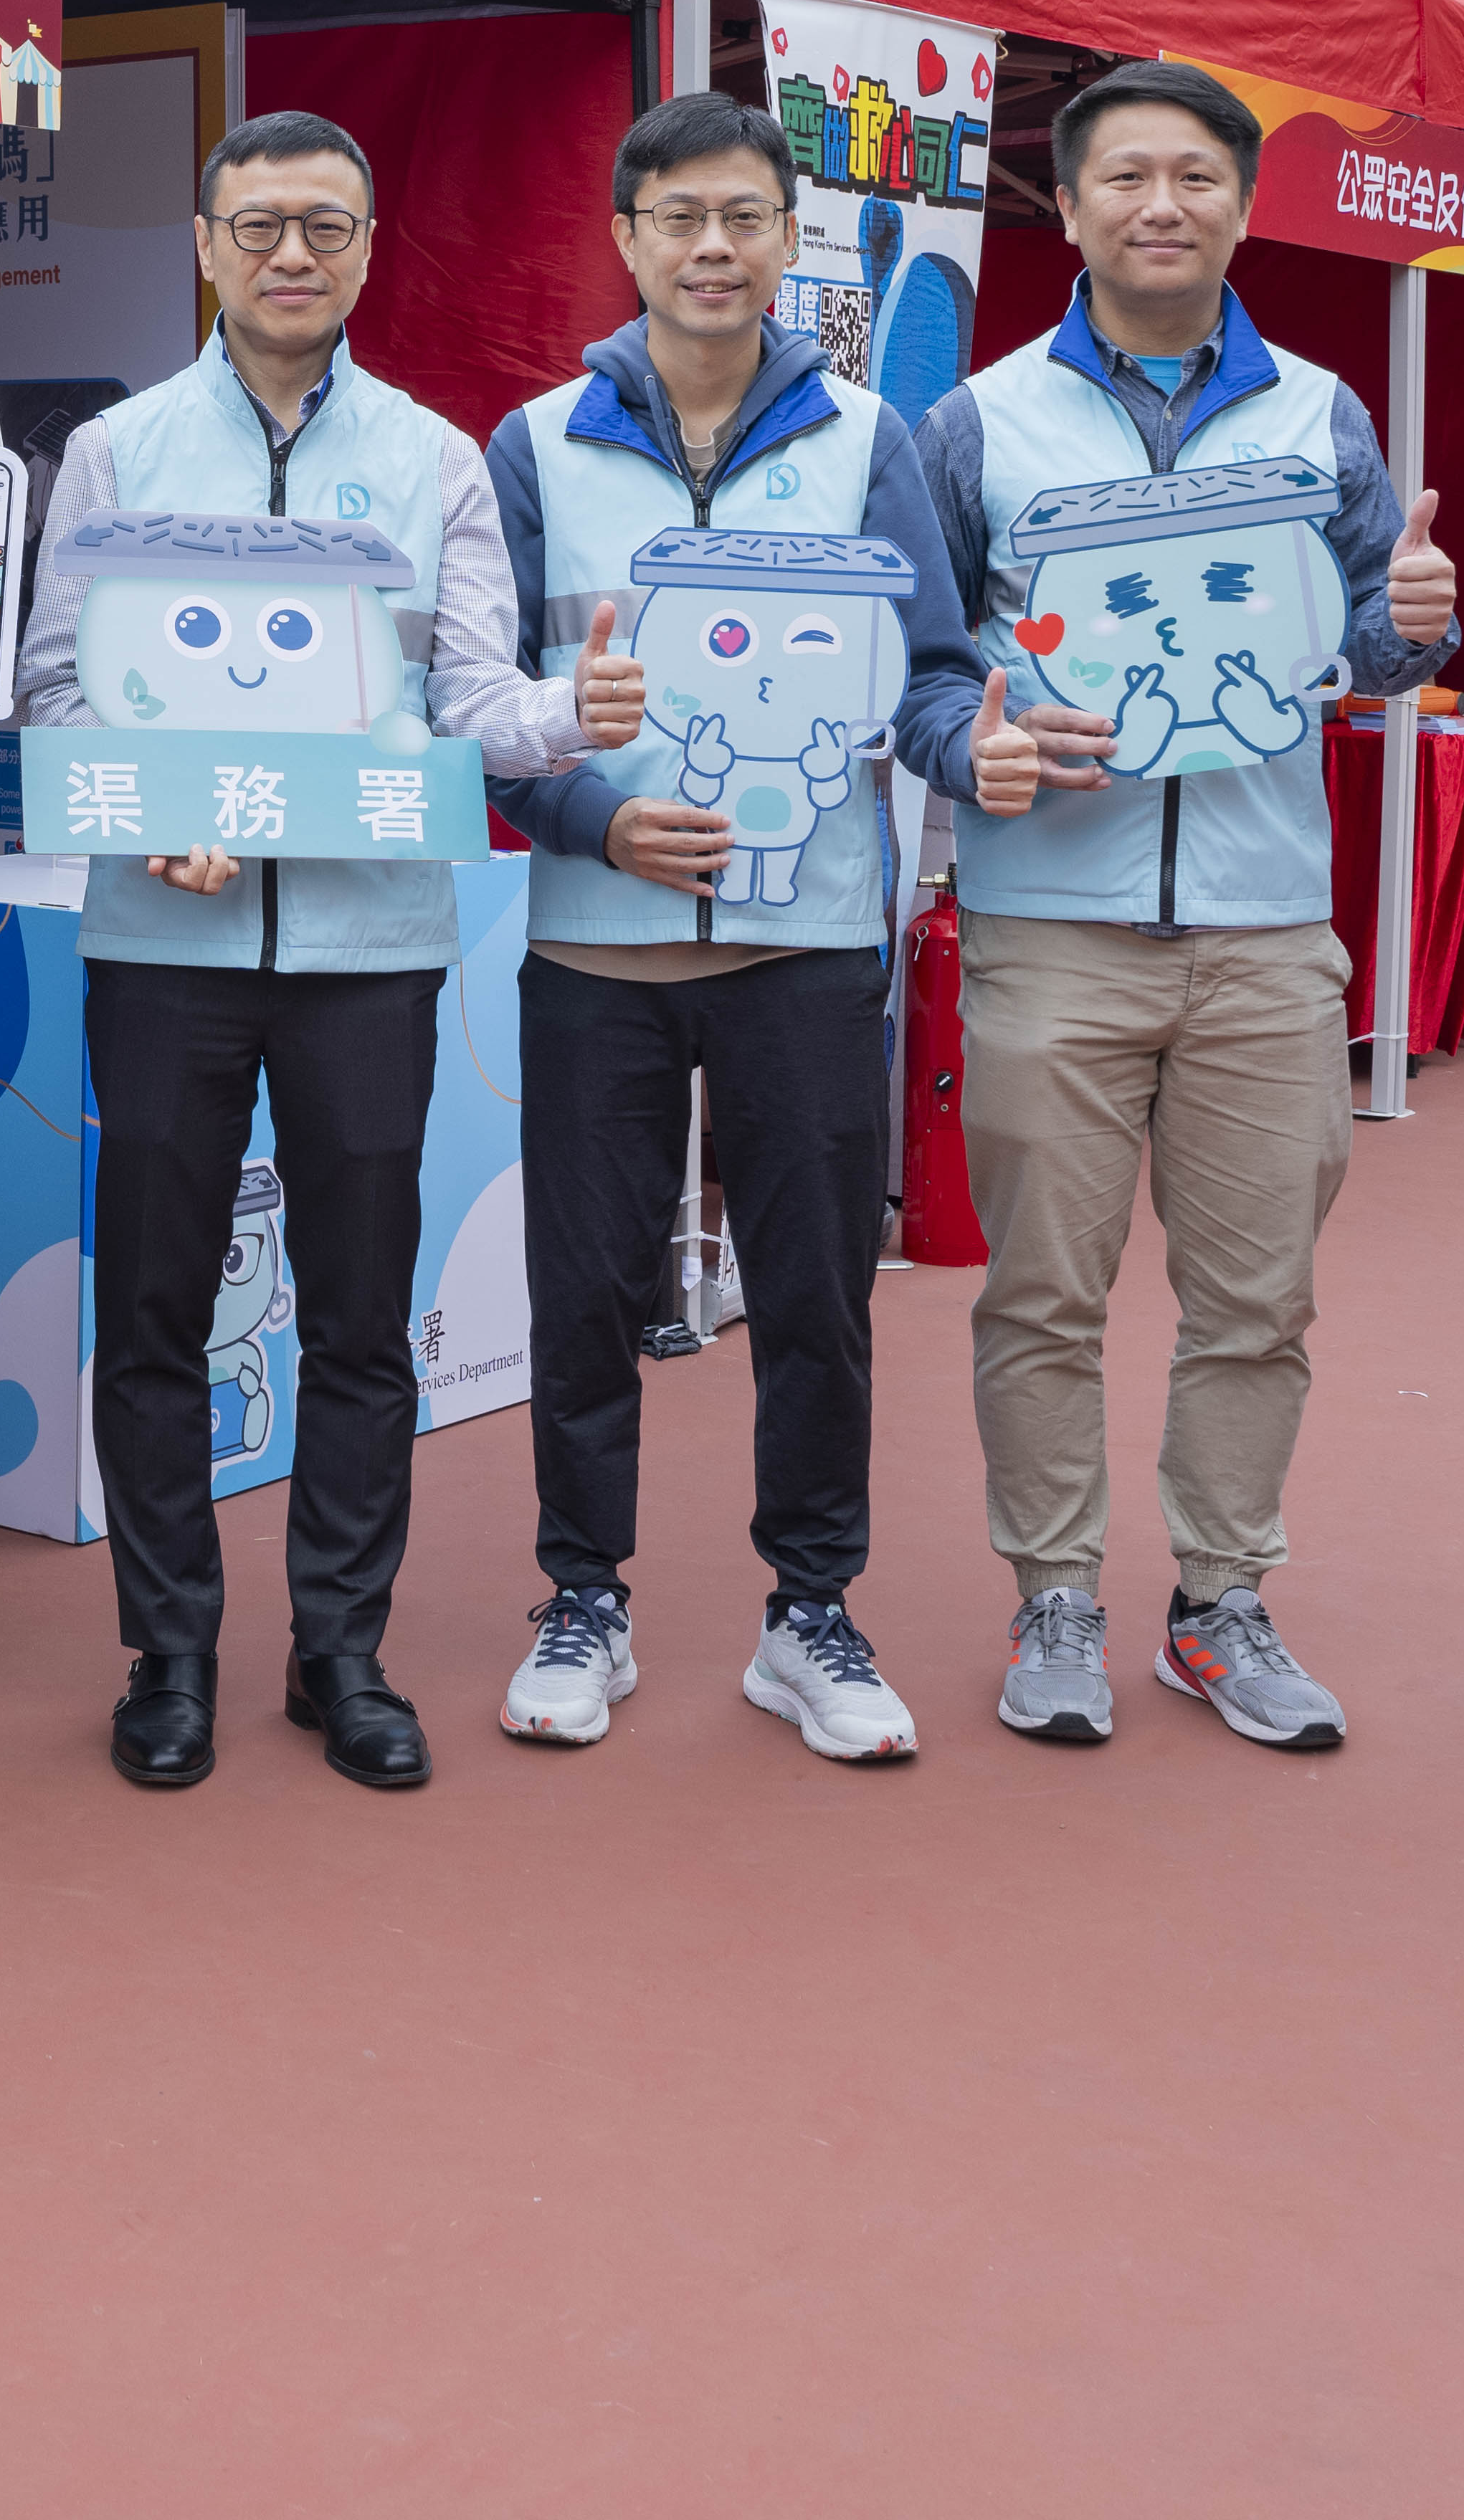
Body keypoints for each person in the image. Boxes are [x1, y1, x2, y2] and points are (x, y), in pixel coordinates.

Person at [21, 113, 610, 1793]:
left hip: (370, 946)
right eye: (260, 223)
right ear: (204, 246)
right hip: (163, 941)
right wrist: (155, 813)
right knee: (153, 1305)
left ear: (365, 249)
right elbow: (57, 688)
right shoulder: (119, 451)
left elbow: (468, 697)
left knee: (358, 1317)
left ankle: (339, 1653)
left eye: (326, 226)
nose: (292, 253)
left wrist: (575, 712)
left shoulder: (431, 459)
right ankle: (168, 1655)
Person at [483, 96, 1037, 1767]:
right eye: (676, 216)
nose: (710, 246)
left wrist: (968, 751)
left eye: (741, 216)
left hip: (804, 949)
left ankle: (808, 1610)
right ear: (624, 236)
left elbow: (925, 675)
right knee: (585, 1294)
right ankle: (581, 1598)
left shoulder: (866, 439)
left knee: (812, 1296)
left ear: (786, 237)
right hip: (594, 947)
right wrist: (592, 817)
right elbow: (482, 706)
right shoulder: (531, 442)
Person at [921, 61, 1456, 1751]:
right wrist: (975, 739)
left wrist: (1415, 624)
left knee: (1255, 1296)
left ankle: (1218, 1600)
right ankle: (1052, 1593)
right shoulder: (977, 420)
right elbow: (914, 666)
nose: (1161, 205)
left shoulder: (1319, 412)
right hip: (1048, 928)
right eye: (1125, 177)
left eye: (1195, 177)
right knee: (1040, 1295)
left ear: (1240, 204)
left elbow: (1362, 649)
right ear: (1065, 206)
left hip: (1261, 931)